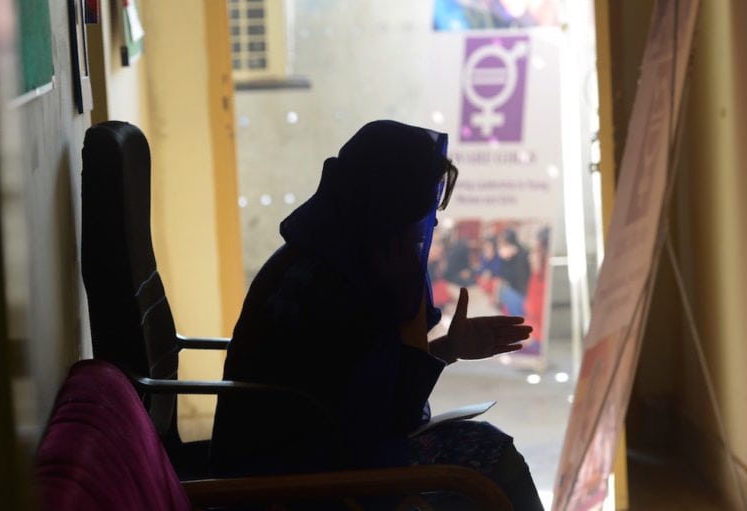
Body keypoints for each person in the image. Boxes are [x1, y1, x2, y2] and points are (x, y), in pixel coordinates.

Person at [210, 120, 544, 510]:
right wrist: (404, 312)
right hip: (296, 484)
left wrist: (445, 347)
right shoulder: (331, 288)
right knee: (487, 459)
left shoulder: (323, 256)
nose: (426, 226)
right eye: (417, 210)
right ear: (387, 205)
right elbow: (391, 418)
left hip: (314, 459)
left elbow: (369, 396)